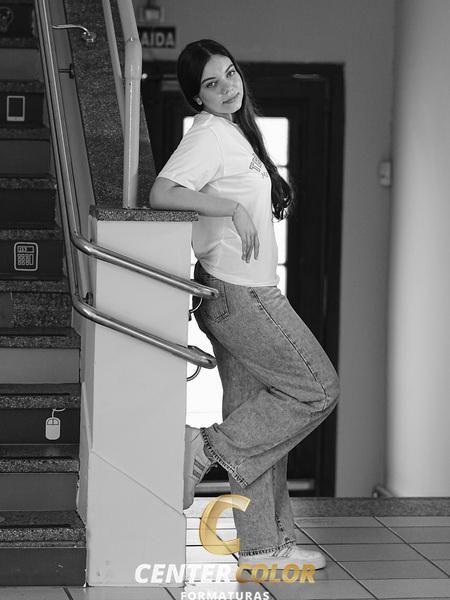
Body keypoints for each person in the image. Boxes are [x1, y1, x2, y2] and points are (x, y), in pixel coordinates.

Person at [150, 39, 340, 571]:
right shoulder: (209, 136)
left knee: (255, 418)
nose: (227, 87)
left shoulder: (233, 132)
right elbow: (163, 193)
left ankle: (264, 548)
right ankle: (205, 448)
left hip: (236, 291)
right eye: (212, 83)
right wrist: (230, 207)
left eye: (230, 74)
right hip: (242, 293)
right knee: (318, 388)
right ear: (197, 96)